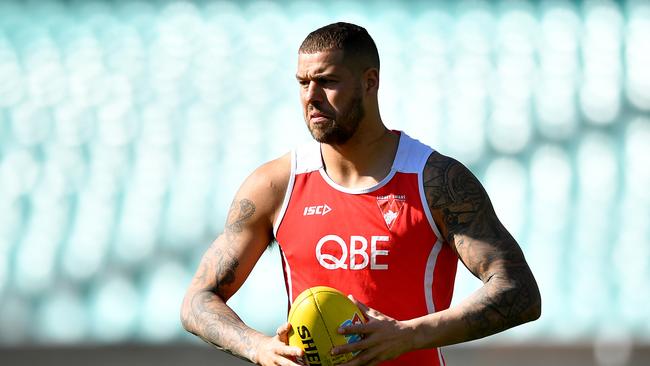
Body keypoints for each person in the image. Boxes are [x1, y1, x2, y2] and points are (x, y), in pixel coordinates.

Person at [180, 22, 541, 366]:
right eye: (303, 83)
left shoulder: (435, 181)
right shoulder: (275, 185)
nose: (311, 97)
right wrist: (258, 347)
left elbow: (519, 290)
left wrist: (408, 335)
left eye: (327, 81)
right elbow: (197, 300)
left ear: (370, 82)